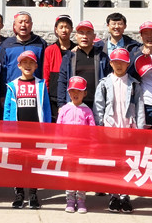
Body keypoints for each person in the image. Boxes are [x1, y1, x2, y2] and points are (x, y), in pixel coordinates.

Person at [94, 48, 144, 213]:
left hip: (128, 130)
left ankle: (125, 195)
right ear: (110, 63)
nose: (119, 65)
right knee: (113, 163)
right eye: (116, 62)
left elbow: (139, 107)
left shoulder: (134, 84)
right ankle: (114, 195)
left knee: (127, 163)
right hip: (110, 129)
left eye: (122, 62)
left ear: (128, 64)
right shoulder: (104, 83)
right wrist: (100, 128)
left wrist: (140, 129)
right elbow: (98, 107)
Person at [3, 51, 51, 209]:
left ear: (36, 66)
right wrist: (7, 131)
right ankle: (19, 193)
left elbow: (46, 109)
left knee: (34, 163)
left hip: (36, 134)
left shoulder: (41, 85)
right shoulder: (12, 85)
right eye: (24, 62)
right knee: (18, 163)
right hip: (17, 133)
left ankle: (33, 193)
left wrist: (46, 130)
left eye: (31, 63)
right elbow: (7, 110)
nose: (28, 65)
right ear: (19, 66)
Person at [57, 76, 95, 213]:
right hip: (68, 149)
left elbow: (92, 131)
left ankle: (81, 199)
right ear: (68, 92)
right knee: (70, 174)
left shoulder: (87, 111)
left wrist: (91, 147)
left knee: (81, 174)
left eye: (79, 91)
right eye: (72, 91)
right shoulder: (64, 109)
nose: (75, 94)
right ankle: (70, 200)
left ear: (85, 93)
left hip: (82, 149)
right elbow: (58, 129)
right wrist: (59, 145)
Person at [0, 12, 47, 117]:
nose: (23, 25)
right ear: (14, 25)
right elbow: (3, 70)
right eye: (20, 22)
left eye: (26, 22)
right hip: (13, 90)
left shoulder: (40, 43)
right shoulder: (7, 44)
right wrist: (2, 93)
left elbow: (44, 68)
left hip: (34, 90)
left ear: (31, 25)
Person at [57, 20, 109, 110]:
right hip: (75, 105)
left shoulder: (102, 57)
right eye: (81, 33)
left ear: (94, 36)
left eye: (88, 33)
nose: (84, 36)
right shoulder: (70, 57)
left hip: (98, 106)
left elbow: (109, 81)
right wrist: (61, 104)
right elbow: (62, 80)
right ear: (76, 36)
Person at [43, 15, 74, 120]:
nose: (64, 30)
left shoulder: (76, 49)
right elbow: (46, 74)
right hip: (54, 94)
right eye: (61, 27)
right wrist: (46, 93)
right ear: (56, 30)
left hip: (73, 94)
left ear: (71, 29)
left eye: (67, 27)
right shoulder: (50, 50)